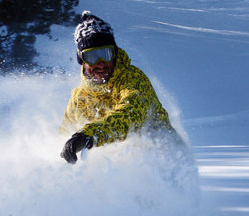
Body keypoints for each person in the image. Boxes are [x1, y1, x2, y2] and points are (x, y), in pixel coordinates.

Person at [59, 11, 181, 164]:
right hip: (118, 169)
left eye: (106, 54)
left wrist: (88, 135)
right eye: (92, 56)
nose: (101, 63)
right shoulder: (80, 97)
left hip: (163, 161)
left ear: (115, 54)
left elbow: (128, 116)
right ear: (82, 60)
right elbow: (64, 135)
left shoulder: (133, 80)